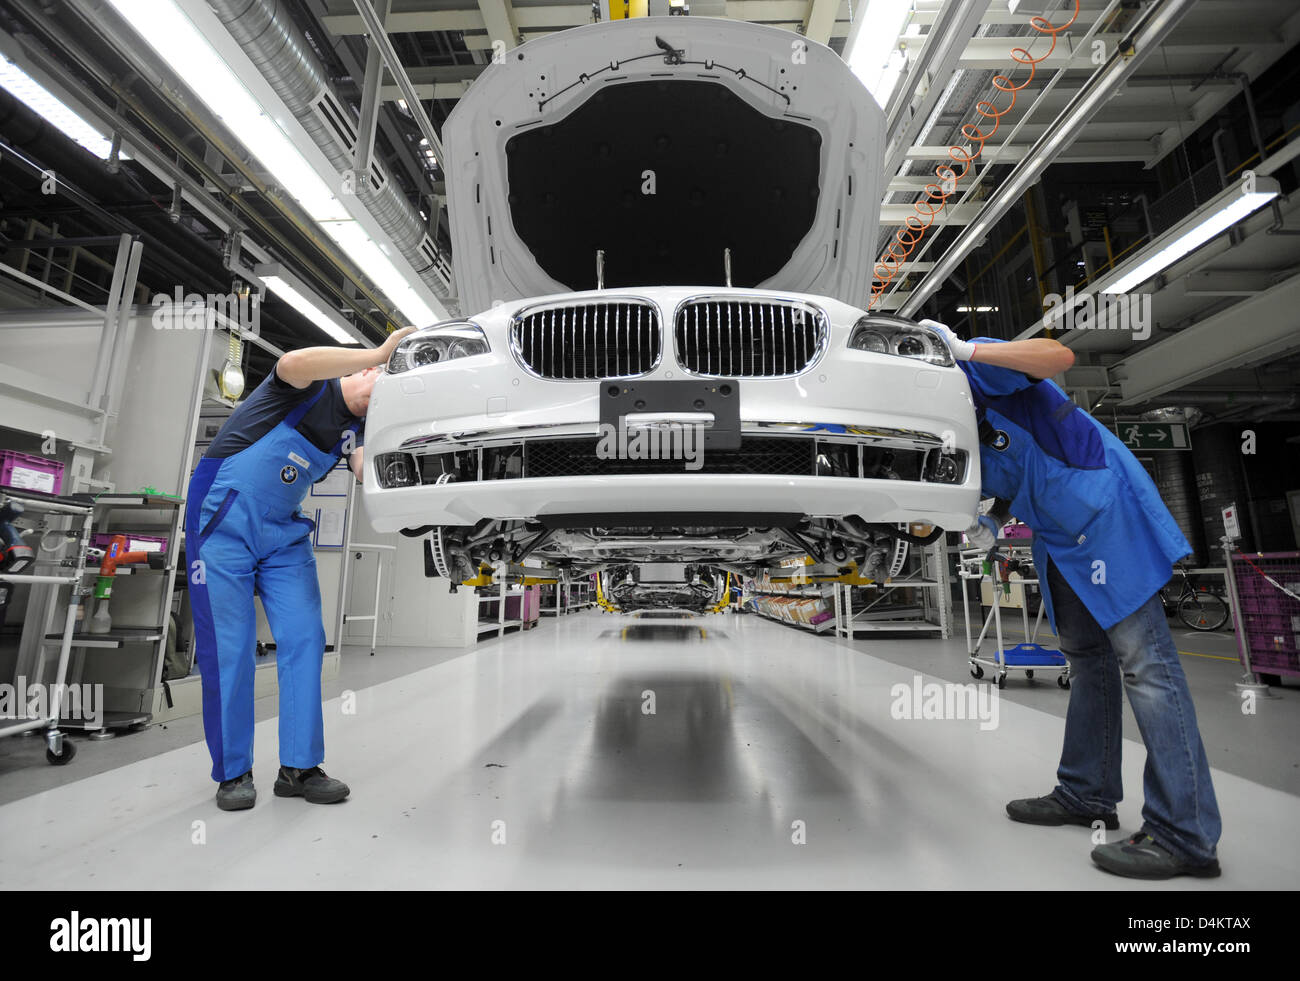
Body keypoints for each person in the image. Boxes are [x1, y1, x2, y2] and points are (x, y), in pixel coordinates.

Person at [924, 319, 1221, 880]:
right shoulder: (943, 422)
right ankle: (1087, 792)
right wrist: (992, 518)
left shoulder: (972, 372)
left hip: (1105, 510)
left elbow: (1057, 355)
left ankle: (1185, 834)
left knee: (1147, 668)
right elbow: (1017, 470)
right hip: (1058, 533)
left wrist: (967, 347)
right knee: (1088, 662)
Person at [186, 326, 416, 811]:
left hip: (282, 533)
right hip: (224, 517)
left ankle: (298, 768)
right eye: (394, 374)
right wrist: (380, 349)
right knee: (230, 646)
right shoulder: (312, 383)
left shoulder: (358, 432)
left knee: (307, 638)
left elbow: (364, 469)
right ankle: (233, 773)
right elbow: (290, 361)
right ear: (372, 369)